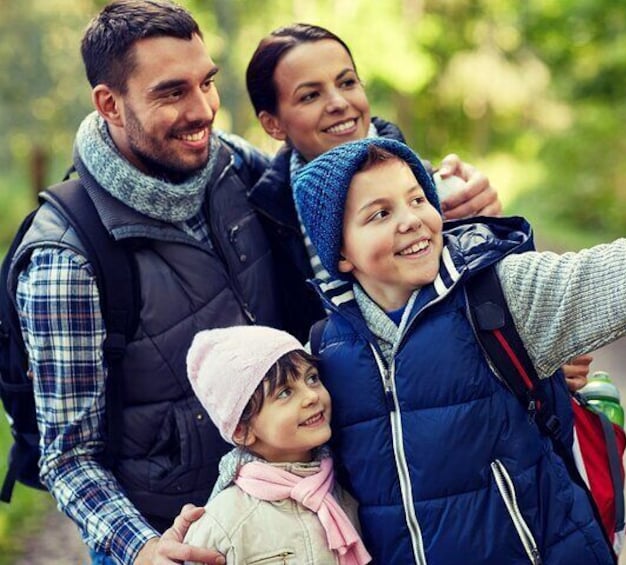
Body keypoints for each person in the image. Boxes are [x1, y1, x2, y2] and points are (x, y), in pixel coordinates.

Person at [8, 3, 500, 564]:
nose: (203, 111)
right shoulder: (65, 260)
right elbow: (69, 457)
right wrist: (141, 548)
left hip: (311, 509)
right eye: (173, 92)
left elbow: (332, 173)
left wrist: (448, 199)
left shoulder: (228, 166)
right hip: (189, 543)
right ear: (110, 105)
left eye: (208, 82)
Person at [279, 92, 626, 563]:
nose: (412, 220)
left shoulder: (500, 294)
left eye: (418, 199)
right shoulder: (327, 352)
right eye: (379, 214)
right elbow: (276, 458)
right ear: (340, 254)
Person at [242, 22, 592, 382]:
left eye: (347, 82)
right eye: (310, 95)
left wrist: (539, 350)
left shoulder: (438, 190)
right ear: (273, 124)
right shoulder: (265, 219)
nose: (339, 103)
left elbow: (508, 303)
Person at [183, 325, 370, 564]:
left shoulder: (343, 493)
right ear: (242, 431)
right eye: (284, 393)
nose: (311, 396)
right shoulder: (224, 521)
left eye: (312, 378)